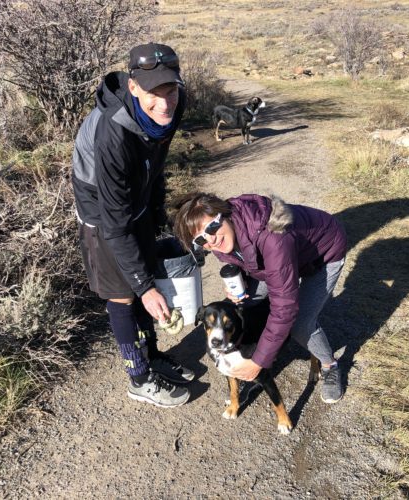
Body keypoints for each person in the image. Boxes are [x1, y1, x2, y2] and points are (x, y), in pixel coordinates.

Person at [71, 42, 194, 408]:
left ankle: (152, 355)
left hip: (134, 197)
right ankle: (138, 377)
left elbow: (156, 164)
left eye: (170, 89)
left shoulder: (173, 106)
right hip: (100, 208)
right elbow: (114, 222)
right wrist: (142, 287)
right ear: (134, 87)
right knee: (124, 291)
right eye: (154, 92)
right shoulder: (112, 133)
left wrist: (156, 216)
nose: (164, 102)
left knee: (146, 272)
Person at [173, 192, 347, 403]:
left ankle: (330, 365)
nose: (211, 239)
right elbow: (247, 259)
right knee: (242, 302)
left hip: (323, 252)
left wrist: (259, 362)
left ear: (224, 214)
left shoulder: (272, 237)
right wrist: (242, 283)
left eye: (211, 227)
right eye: (200, 239)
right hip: (282, 260)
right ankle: (252, 348)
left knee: (300, 322)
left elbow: (284, 307)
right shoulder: (222, 240)